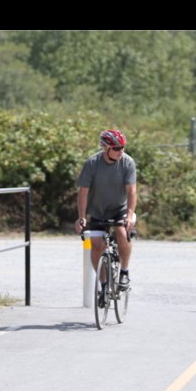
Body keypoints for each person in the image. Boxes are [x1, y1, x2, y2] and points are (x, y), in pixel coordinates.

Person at [73, 130, 137, 303]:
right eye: (117, 148)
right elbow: (83, 193)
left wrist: (129, 216)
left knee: (122, 232)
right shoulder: (92, 163)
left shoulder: (127, 162)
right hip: (98, 211)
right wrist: (81, 217)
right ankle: (104, 284)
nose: (121, 151)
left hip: (120, 209)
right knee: (96, 246)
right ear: (105, 147)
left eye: (123, 147)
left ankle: (124, 272)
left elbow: (132, 191)